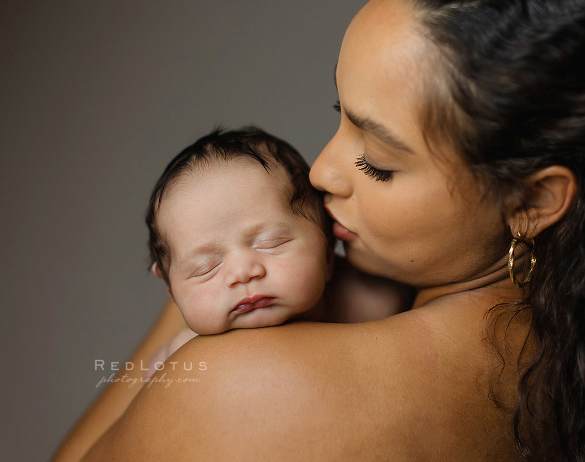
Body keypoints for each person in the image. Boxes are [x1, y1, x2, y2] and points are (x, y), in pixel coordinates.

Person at [55, 0, 585, 460]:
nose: (324, 170)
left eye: (379, 159)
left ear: (534, 200)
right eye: (340, 115)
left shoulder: (248, 389)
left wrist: (201, 273)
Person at [142, 127, 408, 370]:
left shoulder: (373, 301)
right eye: (206, 268)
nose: (243, 273)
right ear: (172, 292)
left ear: (328, 252)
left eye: (271, 243)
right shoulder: (177, 361)